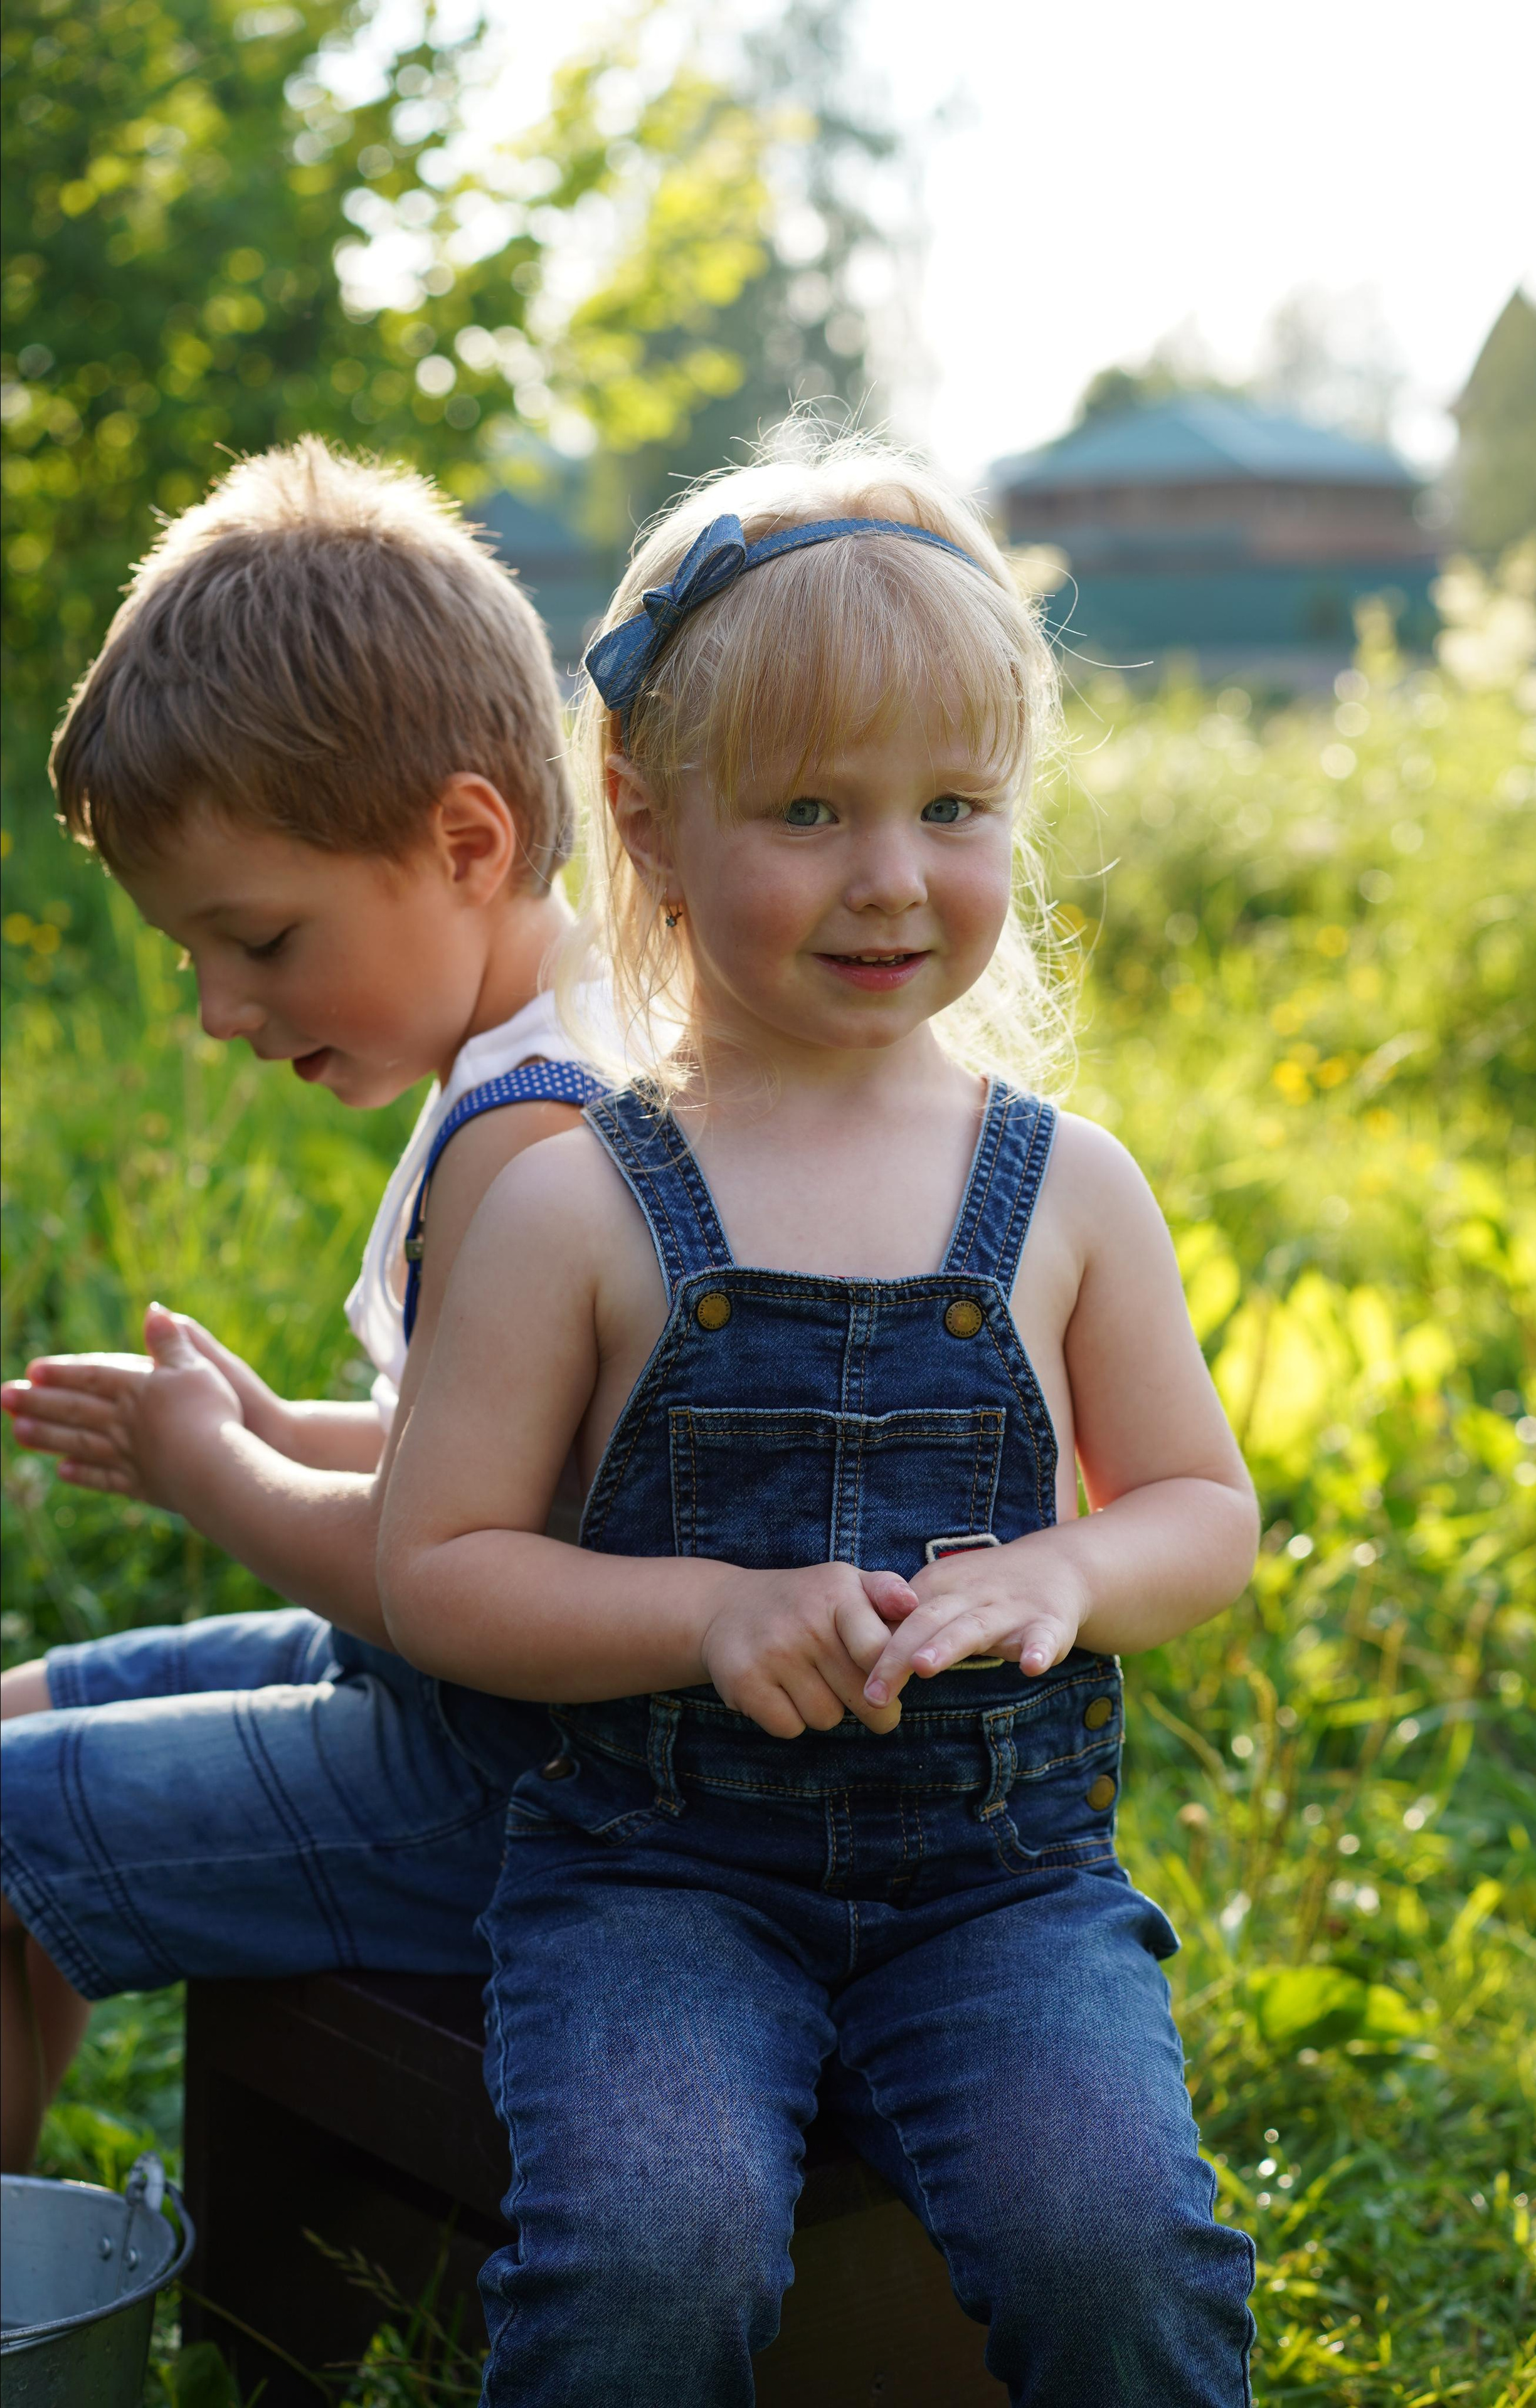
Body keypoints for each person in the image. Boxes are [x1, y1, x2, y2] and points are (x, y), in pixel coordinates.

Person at [376, 430, 1263, 2405]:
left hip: (1003, 1879)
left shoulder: (1069, 1187)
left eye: (952, 806)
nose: (890, 876)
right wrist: (703, 1615)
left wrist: (1069, 1569)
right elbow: (436, 1568)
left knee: (1121, 2246)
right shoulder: (580, 1202)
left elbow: (1200, 1507)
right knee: (650, 2252)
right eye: (806, 808)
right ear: (651, 819)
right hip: (659, 1877)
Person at [0, 438, 609, 2174]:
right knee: (25, 1711)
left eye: (258, 942)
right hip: (471, 1728)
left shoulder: (537, 1137)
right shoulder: (548, 1044)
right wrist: (278, 1426)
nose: (216, 1008)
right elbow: (499, 1467)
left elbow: (447, 1588)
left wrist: (218, 1479)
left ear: (467, 840)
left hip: (515, 1790)